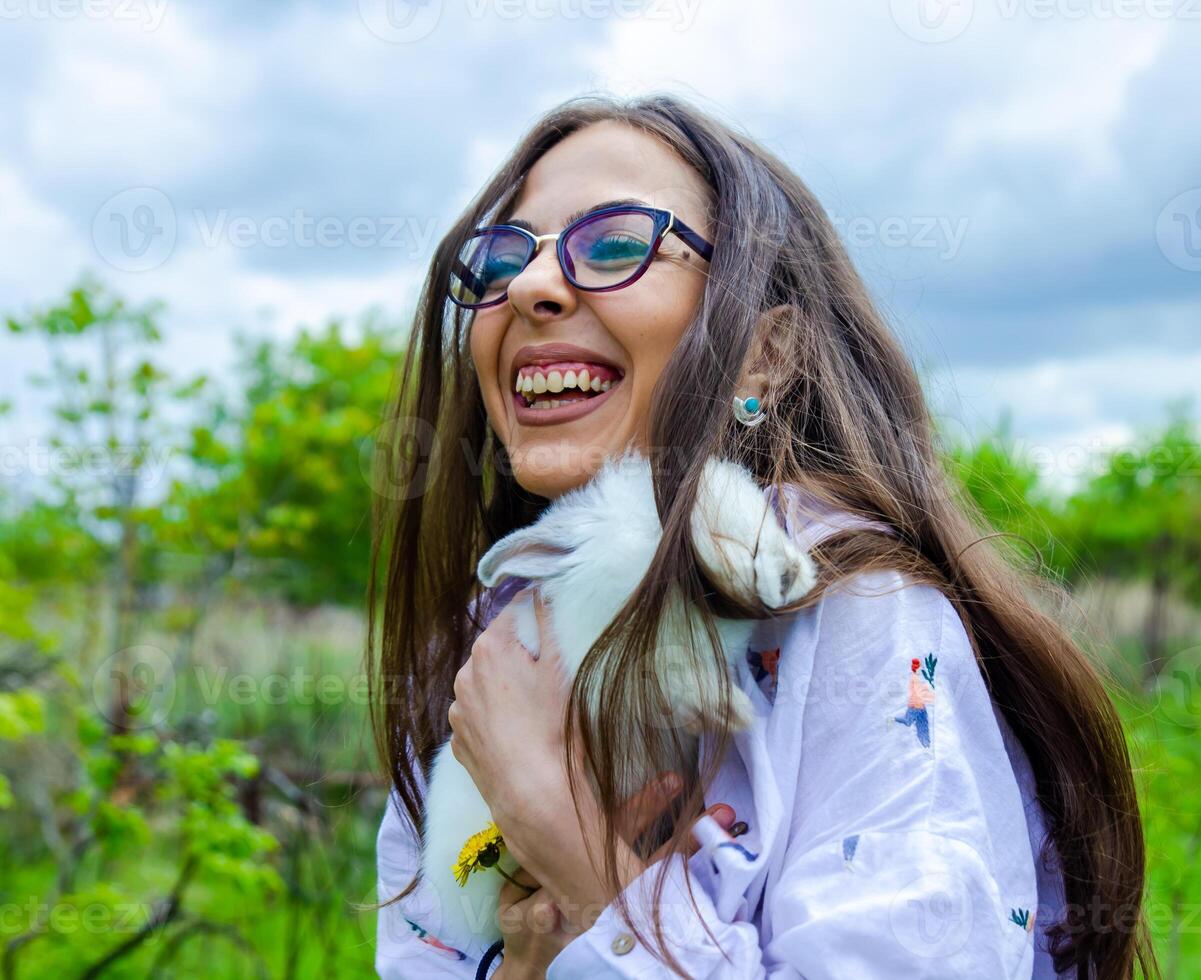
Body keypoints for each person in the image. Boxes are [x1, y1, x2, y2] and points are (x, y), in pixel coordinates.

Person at [368, 93, 1154, 980]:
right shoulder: (479, 652)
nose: (531, 287)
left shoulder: (855, 621)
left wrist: (581, 863)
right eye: (501, 258)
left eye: (619, 243)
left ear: (764, 356)